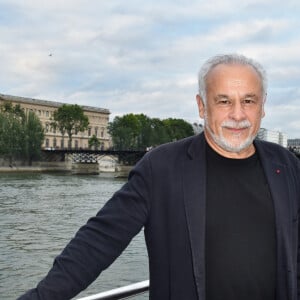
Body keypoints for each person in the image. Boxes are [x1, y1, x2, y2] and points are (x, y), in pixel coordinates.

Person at [18, 54, 300, 300]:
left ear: (262, 106)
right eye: (224, 101)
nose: (238, 115)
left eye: (248, 100)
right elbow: (99, 241)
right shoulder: (161, 167)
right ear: (202, 107)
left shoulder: (286, 165)